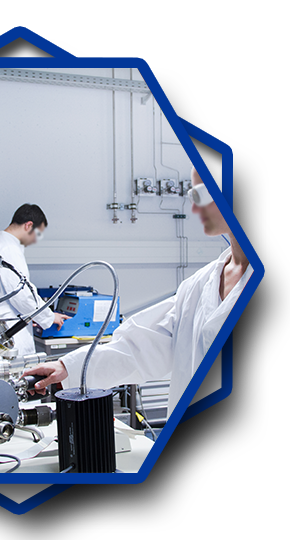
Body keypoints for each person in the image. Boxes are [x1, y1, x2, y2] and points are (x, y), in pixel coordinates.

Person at [23, 147, 254, 421]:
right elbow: (140, 346)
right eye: (192, 195)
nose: (193, 208)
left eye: (201, 194)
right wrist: (69, 367)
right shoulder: (199, 285)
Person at [0, 204, 70, 356]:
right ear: (28, 225)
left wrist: (34, 316)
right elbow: (21, 294)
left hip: (3, 326)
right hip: (10, 330)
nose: (35, 240)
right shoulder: (9, 249)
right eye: (37, 234)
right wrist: (50, 317)